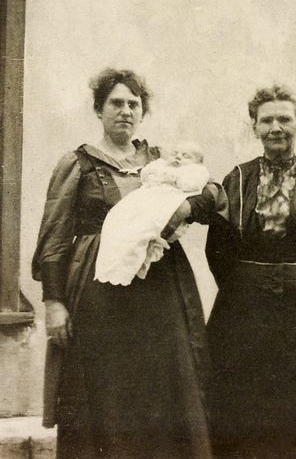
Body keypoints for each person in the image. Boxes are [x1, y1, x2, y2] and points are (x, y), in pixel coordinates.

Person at [32, 68, 223, 459]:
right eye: (116, 103)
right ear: (99, 109)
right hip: (99, 293)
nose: (125, 111)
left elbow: (212, 192)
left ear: (142, 112)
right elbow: (53, 237)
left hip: (159, 290)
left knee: (161, 388)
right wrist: (54, 302)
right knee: (106, 389)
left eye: (133, 104)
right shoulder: (78, 163)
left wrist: (187, 206)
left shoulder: (161, 161)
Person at [205, 84, 296, 458]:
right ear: (254, 128)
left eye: (285, 118)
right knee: (243, 391)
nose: (276, 127)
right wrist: (241, 286)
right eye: (266, 120)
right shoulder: (236, 178)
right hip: (243, 300)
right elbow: (217, 247)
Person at [95, 141, 210, 286]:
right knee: (117, 218)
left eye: (186, 156)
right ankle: (117, 266)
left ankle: (140, 263)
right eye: (175, 153)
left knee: (147, 231)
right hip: (145, 200)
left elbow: (192, 185)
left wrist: (172, 176)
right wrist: (157, 171)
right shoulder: (161, 163)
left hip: (166, 203)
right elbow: (145, 174)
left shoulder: (196, 172)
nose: (178, 157)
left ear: (197, 163)